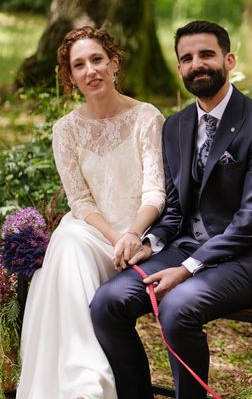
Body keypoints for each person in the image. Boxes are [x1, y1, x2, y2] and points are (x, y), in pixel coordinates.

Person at [90, 20, 252, 399]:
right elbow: (177, 205)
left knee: (177, 309)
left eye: (206, 55)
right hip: (185, 246)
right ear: (180, 68)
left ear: (228, 59)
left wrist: (185, 269)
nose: (196, 64)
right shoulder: (177, 126)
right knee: (107, 303)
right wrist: (152, 241)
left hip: (245, 257)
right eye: (187, 58)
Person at [17, 26, 166, 399]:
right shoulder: (65, 129)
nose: (90, 71)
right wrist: (116, 238)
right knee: (68, 241)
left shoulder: (147, 117)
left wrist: (132, 234)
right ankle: (85, 381)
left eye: (97, 60)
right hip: (93, 232)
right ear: (70, 78)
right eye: (79, 65)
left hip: (138, 232)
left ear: (114, 64)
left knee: (66, 251)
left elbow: (155, 191)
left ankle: (83, 382)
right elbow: (80, 201)